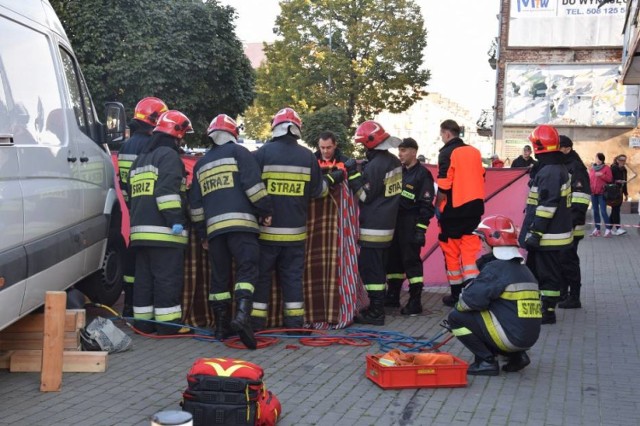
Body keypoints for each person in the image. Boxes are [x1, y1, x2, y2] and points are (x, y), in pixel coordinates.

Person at [251, 108, 343, 332]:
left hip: (266, 234)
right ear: (297, 130)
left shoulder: (262, 154)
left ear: (275, 127)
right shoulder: (306, 157)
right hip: (295, 234)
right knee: (292, 280)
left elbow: (251, 189)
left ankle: (256, 325)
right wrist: (332, 178)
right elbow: (319, 192)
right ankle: (294, 325)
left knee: (262, 280)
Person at [189, 114, 274, 349]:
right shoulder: (239, 153)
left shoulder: (201, 164)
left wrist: (203, 234)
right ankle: (242, 316)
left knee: (219, 276)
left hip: (215, 231)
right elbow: (254, 187)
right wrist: (266, 209)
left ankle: (220, 328)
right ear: (233, 134)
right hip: (242, 227)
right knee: (247, 269)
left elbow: (195, 206)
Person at [448, 215, 541, 376]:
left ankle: (486, 362)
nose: (481, 245)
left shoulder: (496, 269)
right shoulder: (523, 269)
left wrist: (466, 295)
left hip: (510, 338)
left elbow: (468, 302)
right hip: (527, 339)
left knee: (456, 317)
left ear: (493, 239)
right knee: (497, 310)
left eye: (482, 240)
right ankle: (517, 356)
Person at [128, 110, 193, 335]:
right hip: (164, 233)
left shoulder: (140, 160)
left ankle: (143, 324)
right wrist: (176, 220)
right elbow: (167, 192)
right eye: (182, 135)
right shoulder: (169, 157)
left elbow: (131, 195)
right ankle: (168, 326)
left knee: (144, 281)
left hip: (139, 234)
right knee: (167, 279)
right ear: (175, 134)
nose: (182, 140)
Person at [345, 120, 402, 325]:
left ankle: (376, 312)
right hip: (387, 224)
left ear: (370, 142)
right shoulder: (393, 161)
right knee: (379, 266)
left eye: (363, 144)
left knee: (371, 268)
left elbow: (364, 196)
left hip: (373, 227)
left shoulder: (377, 165)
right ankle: (378, 305)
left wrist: (353, 174)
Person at [116, 97, 168, 318]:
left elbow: (124, 183)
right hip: (152, 208)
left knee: (133, 255)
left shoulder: (126, 145)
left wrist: (131, 202)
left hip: (134, 206)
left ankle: (129, 304)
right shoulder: (152, 145)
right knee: (153, 265)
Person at [519, 124, 573, 325]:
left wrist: (536, 233)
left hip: (547, 236)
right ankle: (536, 307)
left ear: (539, 146)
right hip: (550, 234)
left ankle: (548, 311)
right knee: (535, 272)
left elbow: (546, 206)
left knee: (548, 275)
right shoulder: (554, 167)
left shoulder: (550, 171)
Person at [436, 119, 485, 307]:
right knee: (470, 252)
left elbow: (444, 184)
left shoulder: (446, 153)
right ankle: (472, 293)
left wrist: (437, 204)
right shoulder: (474, 152)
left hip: (453, 211)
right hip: (474, 210)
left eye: (442, 134)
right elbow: (482, 175)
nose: (442, 138)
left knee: (451, 251)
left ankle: (456, 295)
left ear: (447, 133)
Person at [385, 137, 435, 315]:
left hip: (412, 221)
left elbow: (427, 203)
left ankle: (415, 301)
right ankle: (393, 296)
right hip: (396, 222)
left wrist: (421, 229)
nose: (400, 154)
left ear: (414, 151)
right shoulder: (400, 172)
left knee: (411, 262)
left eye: (404, 150)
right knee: (394, 260)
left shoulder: (422, 174)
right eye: (399, 150)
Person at [557, 135, 591, 309]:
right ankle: (563, 293)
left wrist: (571, 224)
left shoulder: (575, 167)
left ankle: (574, 297)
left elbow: (581, 198)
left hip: (571, 226)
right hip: (563, 225)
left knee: (568, 260)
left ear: (567, 148)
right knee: (561, 260)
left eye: (559, 147)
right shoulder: (564, 165)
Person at [588, 152, 613, 237]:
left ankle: (608, 229)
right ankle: (597, 229)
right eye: (596, 158)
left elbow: (610, 179)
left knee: (603, 211)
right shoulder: (592, 168)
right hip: (593, 193)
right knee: (595, 211)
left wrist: (602, 175)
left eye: (599, 158)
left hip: (602, 193)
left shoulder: (606, 168)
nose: (597, 160)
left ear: (602, 160)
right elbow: (590, 179)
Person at [610, 154, 629, 236]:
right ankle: (618, 228)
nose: (623, 162)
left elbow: (625, 183)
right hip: (614, 192)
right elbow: (609, 180)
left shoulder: (624, 169)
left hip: (620, 192)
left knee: (615, 210)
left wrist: (626, 194)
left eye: (624, 160)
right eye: (621, 160)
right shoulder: (613, 168)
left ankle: (609, 229)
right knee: (616, 210)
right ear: (617, 160)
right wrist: (617, 181)